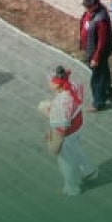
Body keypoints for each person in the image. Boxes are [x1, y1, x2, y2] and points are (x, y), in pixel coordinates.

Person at [39, 65, 97, 197]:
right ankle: (90, 171)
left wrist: (47, 111)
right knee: (76, 149)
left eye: (50, 81)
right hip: (78, 125)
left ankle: (72, 187)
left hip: (68, 133)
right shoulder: (74, 85)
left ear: (56, 83)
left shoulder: (62, 102)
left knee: (66, 162)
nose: (48, 83)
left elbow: (61, 126)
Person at [79, 0, 112, 111]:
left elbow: (102, 42)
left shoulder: (101, 19)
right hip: (90, 49)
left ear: (95, 5)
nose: (86, 8)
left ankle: (98, 102)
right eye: (85, 6)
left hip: (97, 52)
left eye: (89, 6)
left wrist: (96, 58)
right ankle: (108, 92)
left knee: (97, 78)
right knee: (104, 72)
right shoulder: (91, 13)